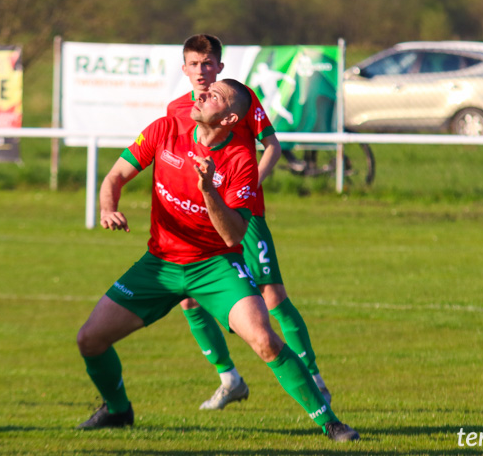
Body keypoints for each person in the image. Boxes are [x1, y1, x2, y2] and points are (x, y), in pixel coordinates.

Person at [76, 78, 359, 442]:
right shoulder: (165, 129)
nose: (205, 92)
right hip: (159, 265)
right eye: (207, 90)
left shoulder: (241, 159)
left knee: (264, 339)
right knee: (89, 340)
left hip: (214, 267)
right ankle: (118, 411)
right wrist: (107, 207)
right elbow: (116, 175)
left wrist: (208, 189)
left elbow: (233, 236)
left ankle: (331, 423)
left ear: (228, 119)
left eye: (217, 96)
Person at [167, 34, 333, 410]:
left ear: (219, 66)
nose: (201, 71)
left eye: (207, 63)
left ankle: (315, 379)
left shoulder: (240, 99)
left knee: (272, 296)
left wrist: (246, 190)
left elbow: (271, 145)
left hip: (245, 216)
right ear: (184, 68)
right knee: (189, 299)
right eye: (194, 64)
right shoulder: (179, 109)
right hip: (202, 218)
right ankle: (229, 379)